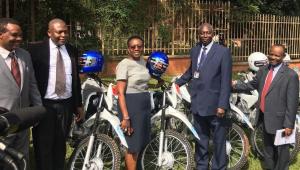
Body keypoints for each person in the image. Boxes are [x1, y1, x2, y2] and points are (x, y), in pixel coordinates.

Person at [28, 18, 84, 170]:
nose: (63, 35)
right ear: (49, 32)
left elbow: (75, 80)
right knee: (43, 144)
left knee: (60, 143)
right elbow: (29, 78)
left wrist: (78, 105)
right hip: (45, 105)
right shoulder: (36, 50)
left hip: (66, 104)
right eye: (59, 32)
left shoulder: (71, 50)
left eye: (66, 31)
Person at [175, 23, 232, 170]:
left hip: (215, 105)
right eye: (202, 33)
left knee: (219, 141)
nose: (205, 35)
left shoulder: (223, 52)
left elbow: (226, 81)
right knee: (200, 139)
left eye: (207, 33)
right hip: (198, 103)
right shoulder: (195, 50)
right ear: (198, 34)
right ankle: (201, 166)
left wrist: (222, 105)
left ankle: (219, 167)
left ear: (212, 34)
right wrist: (177, 83)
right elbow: (191, 71)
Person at [233, 44, 299, 170]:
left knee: (282, 153)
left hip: (281, 121)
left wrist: (289, 125)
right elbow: (251, 85)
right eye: (271, 54)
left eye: (277, 55)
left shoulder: (290, 76)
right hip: (264, 117)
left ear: (283, 56)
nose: (273, 57)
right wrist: (233, 86)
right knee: (268, 150)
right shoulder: (264, 70)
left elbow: (292, 103)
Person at [0, 18, 42, 169]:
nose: (19, 39)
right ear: (1, 35)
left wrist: (37, 110)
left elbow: (32, 84)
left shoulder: (24, 55)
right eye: (14, 35)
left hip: (23, 122)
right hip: (2, 125)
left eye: (20, 35)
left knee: (21, 160)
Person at [116, 35, 163, 170]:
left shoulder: (144, 62)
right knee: (132, 146)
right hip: (131, 105)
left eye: (139, 46)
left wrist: (158, 80)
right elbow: (120, 93)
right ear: (128, 49)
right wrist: (126, 117)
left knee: (142, 142)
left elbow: (149, 74)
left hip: (144, 104)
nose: (136, 49)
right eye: (133, 47)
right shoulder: (124, 64)